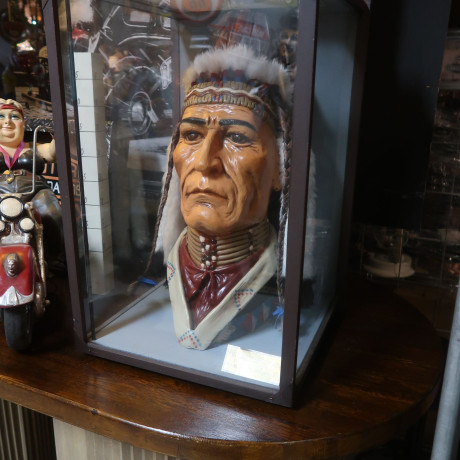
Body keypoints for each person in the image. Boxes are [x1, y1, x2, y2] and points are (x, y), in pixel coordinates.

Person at [149, 45, 292, 350]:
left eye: (237, 138)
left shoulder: (280, 279)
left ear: (279, 168)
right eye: (191, 135)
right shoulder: (167, 268)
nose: (204, 162)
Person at [0, 98, 63, 266]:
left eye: (14, 117)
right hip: (1, 192)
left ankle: (57, 258)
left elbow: (51, 152)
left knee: (53, 213)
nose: (7, 122)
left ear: (23, 123)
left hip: (35, 190)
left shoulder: (31, 147)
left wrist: (58, 134)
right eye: (1, 116)